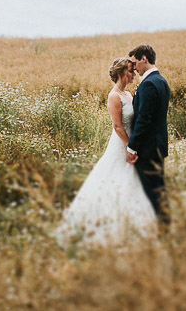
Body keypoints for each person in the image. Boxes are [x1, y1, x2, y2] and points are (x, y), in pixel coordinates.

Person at [55, 57, 157, 247]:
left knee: (131, 183)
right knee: (113, 181)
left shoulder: (129, 95)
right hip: (121, 146)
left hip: (132, 145)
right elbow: (118, 126)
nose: (134, 73)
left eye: (134, 70)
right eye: (130, 71)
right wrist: (130, 147)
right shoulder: (114, 96)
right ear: (120, 73)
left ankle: (133, 227)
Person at [126, 44, 171, 227]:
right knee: (158, 190)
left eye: (135, 62)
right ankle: (161, 227)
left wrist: (132, 147)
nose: (134, 67)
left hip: (148, 148)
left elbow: (144, 119)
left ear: (144, 58)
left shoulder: (149, 84)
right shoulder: (161, 80)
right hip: (158, 146)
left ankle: (164, 230)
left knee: (153, 192)